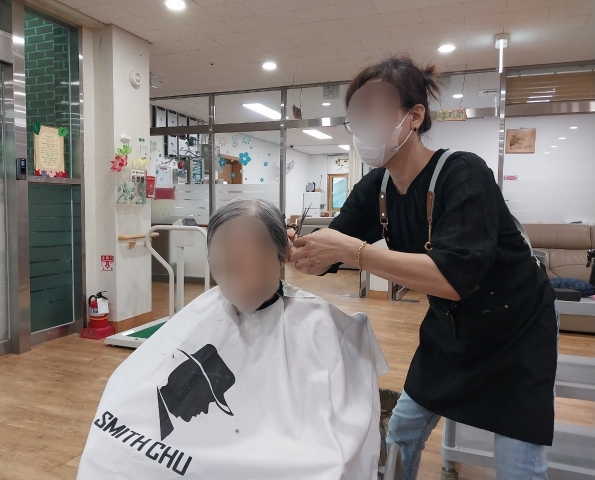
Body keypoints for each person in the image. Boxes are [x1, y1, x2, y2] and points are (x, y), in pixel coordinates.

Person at [289, 56, 558, 480]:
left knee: (518, 463)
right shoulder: (375, 187)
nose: (363, 125)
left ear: (414, 116)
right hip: (450, 329)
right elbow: (327, 251)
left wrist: (354, 251)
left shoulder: (463, 173)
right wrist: (290, 248)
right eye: (357, 115)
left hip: (517, 328)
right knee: (402, 431)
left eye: (374, 110)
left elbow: (454, 277)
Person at [77, 198, 389, 480]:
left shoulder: (319, 325)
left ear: (282, 255)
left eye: (250, 250)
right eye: (225, 252)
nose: (236, 264)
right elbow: (129, 399)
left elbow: (334, 447)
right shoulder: (203, 313)